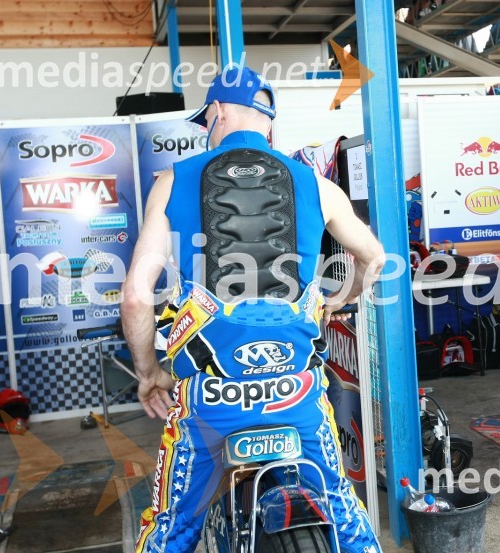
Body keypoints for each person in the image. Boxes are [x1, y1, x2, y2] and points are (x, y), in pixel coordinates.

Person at [121, 65, 385, 553]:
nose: (207, 131)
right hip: (297, 395)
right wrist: (335, 302)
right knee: (345, 514)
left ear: (218, 111)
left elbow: (137, 295)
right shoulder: (316, 185)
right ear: (268, 122)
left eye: (207, 121)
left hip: (208, 402)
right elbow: (374, 260)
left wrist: (148, 372)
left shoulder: (172, 181)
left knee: (170, 529)